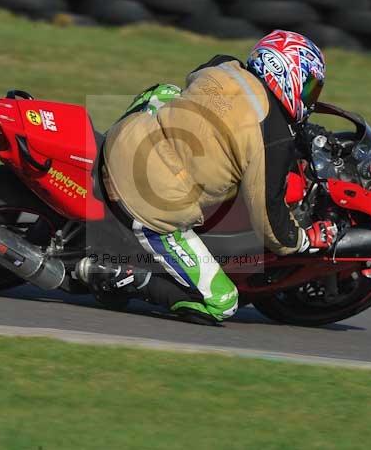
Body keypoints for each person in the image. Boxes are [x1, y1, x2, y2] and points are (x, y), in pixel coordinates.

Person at [85, 30, 338, 325]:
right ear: (285, 73)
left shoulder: (225, 66)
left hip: (124, 138)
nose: (309, 98)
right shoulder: (274, 138)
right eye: (308, 87)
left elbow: (194, 78)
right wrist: (306, 239)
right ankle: (125, 276)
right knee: (222, 302)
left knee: (168, 92)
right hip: (146, 202)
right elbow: (271, 225)